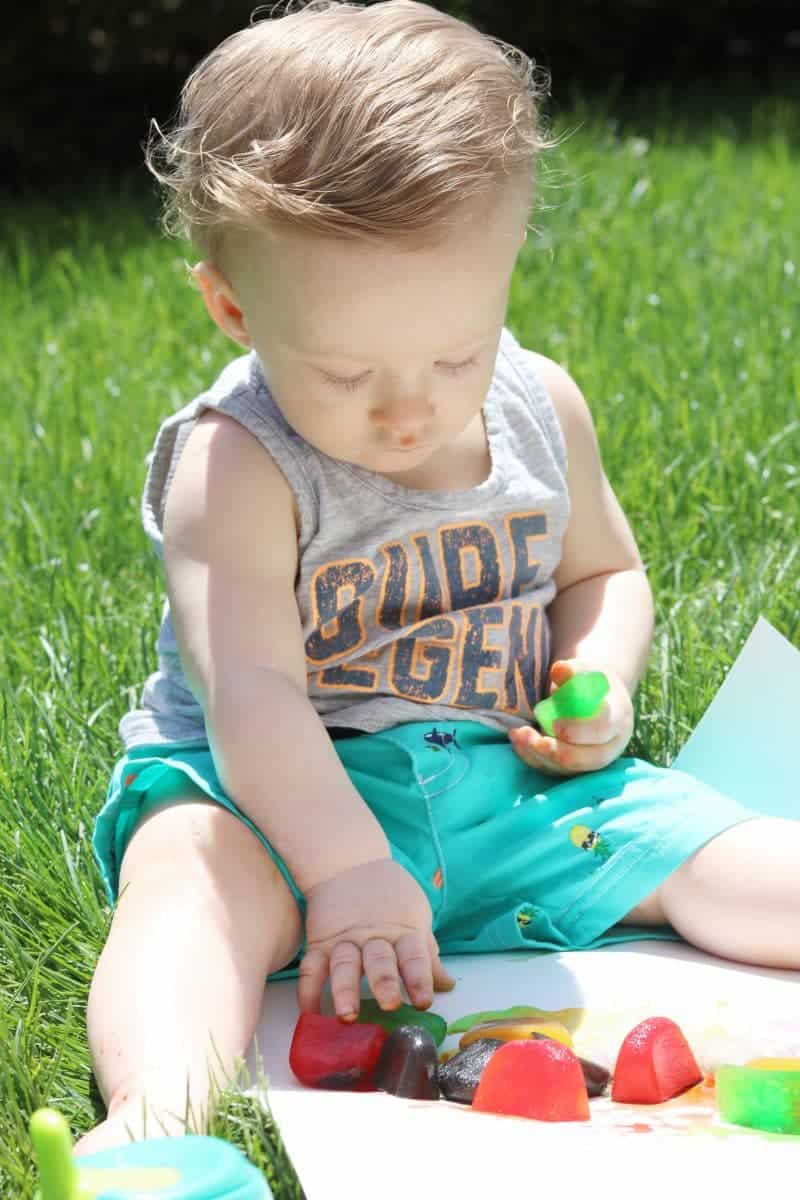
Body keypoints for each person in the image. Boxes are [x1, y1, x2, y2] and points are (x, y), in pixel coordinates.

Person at [76, 0, 798, 1157]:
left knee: (735, 859)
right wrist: (345, 868)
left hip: (513, 790)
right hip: (280, 802)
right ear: (230, 305)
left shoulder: (536, 405)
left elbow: (605, 568)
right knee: (187, 889)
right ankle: (157, 1123)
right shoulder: (239, 461)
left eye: (456, 350)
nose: (409, 408)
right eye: (348, 369)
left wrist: (597, 682)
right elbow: (249, 695)